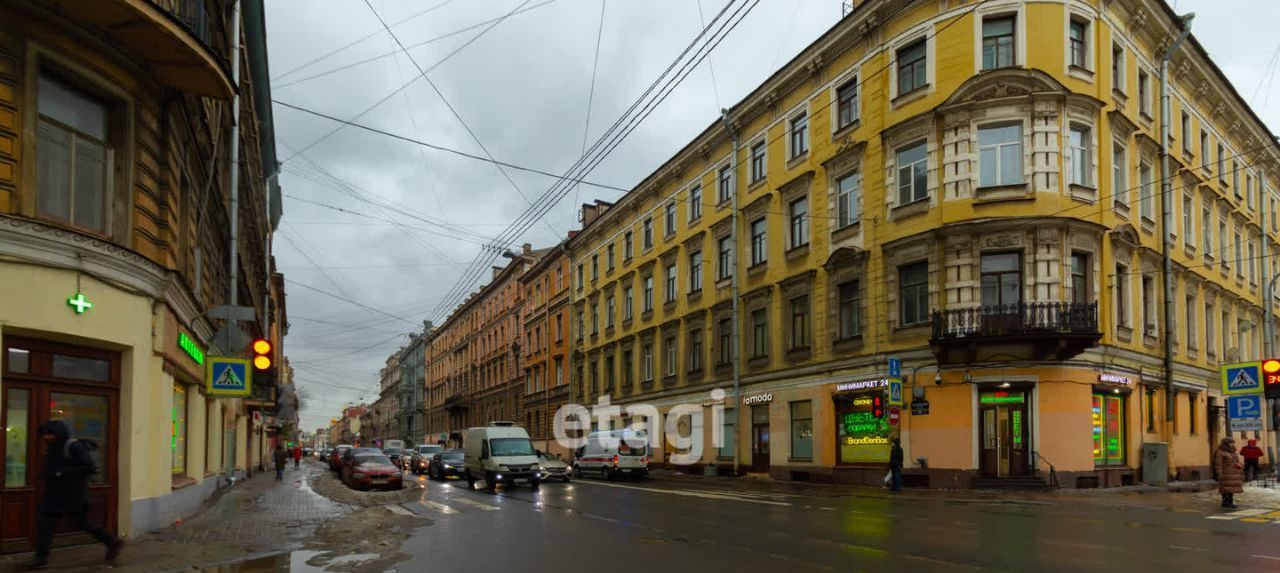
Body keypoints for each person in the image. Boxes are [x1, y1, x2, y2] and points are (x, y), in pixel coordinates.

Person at [26, 421, 123, 570]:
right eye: (44, 434)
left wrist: (62, 473)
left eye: (50, 434)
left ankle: (112, 542)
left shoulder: (73, 446)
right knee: (44, 525)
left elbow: (90, 467)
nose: (46, 437)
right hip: (54, 495)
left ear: (59, 433)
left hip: (73, 495)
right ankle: (40, 558)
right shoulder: (53, 446)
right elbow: (53, 466)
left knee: (82, 524)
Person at [1215, 437, 1244, 509]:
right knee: (1225, 489)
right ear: (1226, 443)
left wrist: (1239, 465)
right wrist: (1220, 473)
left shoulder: (1233, 451)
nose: (1232, 444)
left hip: (1234, 473)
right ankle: (1225, 502)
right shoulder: (1221, 452)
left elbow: (1237, 461)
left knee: (1232, 489)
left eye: (1233, 443)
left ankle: (1230, 502)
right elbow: (1218, 464)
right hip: (1226, 474)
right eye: (1230, 443)